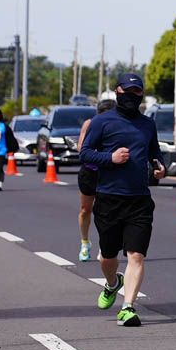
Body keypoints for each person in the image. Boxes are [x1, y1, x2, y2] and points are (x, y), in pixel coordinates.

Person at [80, 73, 164, 327]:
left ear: (141, 95)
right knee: (107, 256)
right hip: (108, 198)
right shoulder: (102, 122)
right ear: (116, 92)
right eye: (126, 91)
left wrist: (158, 165)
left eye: (136, 92)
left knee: (136, 255)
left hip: (139, 200)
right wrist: (110, 158)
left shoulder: (148, 124)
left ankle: (128, 308)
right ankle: (112, 283)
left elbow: (154, 151)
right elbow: (85, 154)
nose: (131, 95)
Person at [76, 98, 117, 261]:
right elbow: (81, 148)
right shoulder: (89, 124)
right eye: (102, 114)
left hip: (108, 173)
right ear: (97, 114)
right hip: (89, 172)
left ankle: (104, 246)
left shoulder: (117, 126)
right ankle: (85, 243)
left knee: (105, 212)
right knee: (86, 210)